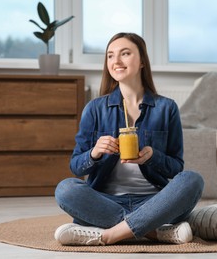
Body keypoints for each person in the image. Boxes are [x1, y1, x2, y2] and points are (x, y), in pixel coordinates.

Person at [54, 32, 204, 246]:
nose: (116, 61)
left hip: (154, 201)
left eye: (125, 54)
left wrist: (152, 157)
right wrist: (95, 153)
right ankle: (153, 231)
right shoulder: (95, 109)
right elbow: (77, 168)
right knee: (65, 189)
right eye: (110, 56)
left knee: (193, 179)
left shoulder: (166, 108)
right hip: (105, 200)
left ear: (142, 60)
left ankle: (109, 234)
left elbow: (176, 168)